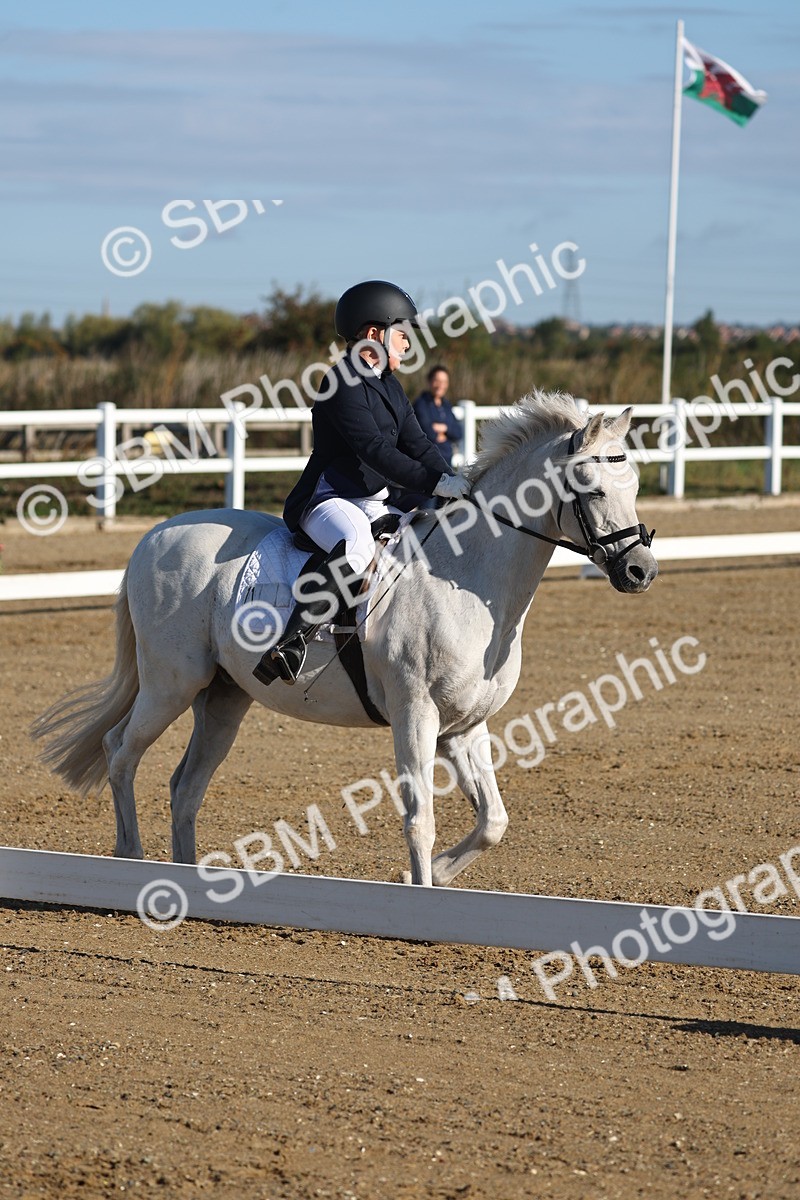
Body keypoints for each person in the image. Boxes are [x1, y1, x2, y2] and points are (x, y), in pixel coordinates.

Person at [253, 280, 472, 686]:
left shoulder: (389, 385)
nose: (408, 347)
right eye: (403, 336)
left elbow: (417, 441)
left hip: (373, 499)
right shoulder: (340, 383)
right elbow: (374, 450)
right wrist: (434, 482)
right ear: (375, 334)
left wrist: (454, 478)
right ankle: (290, 642)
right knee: (356, 545)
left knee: (423, 539)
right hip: (328, 499)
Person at [413, 365, 463, 468]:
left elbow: (458, 432)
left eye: (444, 382)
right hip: (427, 462)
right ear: (430, 381)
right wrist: (443, 434)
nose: (441, 385)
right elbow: (427, 431)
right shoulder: (420, 404)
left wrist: (444, 428)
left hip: (447, 461)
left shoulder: (446, 405)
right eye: (437, 381)